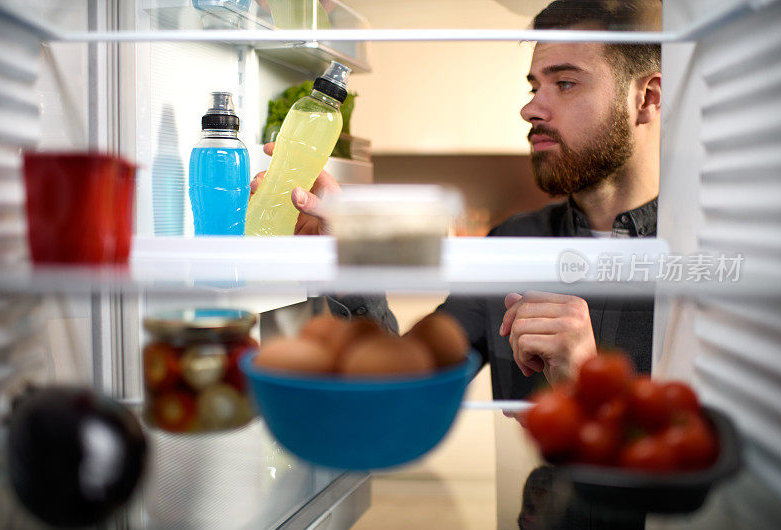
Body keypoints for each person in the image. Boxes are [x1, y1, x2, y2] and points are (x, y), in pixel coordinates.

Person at [250, 0, 662, 399]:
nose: (530, 108)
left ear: (646, 98)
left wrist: (591, 386)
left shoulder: (709, 259)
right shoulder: (512, 245)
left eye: (565, 83)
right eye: (535, 86)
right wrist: (345, 256)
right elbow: (401, 388)